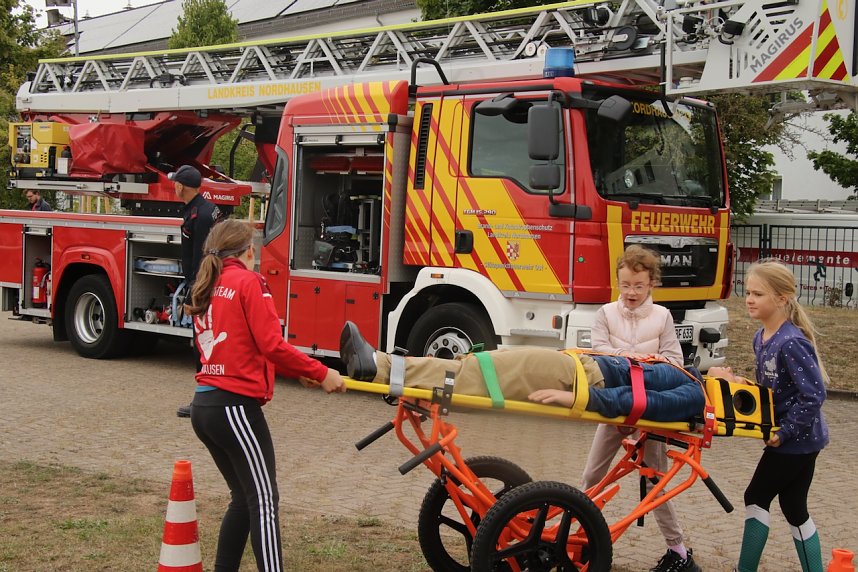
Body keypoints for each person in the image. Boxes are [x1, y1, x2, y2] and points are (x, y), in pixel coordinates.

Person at [186, 219, 346, 572]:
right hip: (233, 407)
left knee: (244, 500)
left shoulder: (209, 282)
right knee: (263, 500)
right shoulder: (249, 281)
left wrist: (300, 371)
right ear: (248, 251)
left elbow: (241, 347)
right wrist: (322, 372)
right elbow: (271, 344)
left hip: (205, 406)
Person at [582, 245, 701, 572]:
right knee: (592, 474)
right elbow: (598, 353)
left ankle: (679, 551)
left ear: (651, 283)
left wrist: (643, 365)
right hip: (615, 405)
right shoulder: (606, 313)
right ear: (617, 283)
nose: (631, 292)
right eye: (625, 285)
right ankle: (579, 534)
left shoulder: (662, 316)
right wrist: (631, 359)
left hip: (650, 408)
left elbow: (674, 361)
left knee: (654, 481)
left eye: (638, 285)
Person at [340, 321, 705, 423]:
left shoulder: (696, 391)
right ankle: (385, 368)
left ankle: (380, 367)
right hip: (577, 368)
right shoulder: (687, 376)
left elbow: (639, 402)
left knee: (476, 374)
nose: (730, 370)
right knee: (477, 369)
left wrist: (578, 398)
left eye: (732, 375)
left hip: (579, 377)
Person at [721, 260, 828, 572]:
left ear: (782, 298)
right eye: (748, 292)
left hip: (797, 441)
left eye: (758, 294)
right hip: (796, 439)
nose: (749, 299)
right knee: (794, 507)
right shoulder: (761, 337)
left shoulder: (791, 342)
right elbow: (773, 389)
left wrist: (785, 431)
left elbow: (814, 395)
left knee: (756, 496)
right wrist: (742, 385)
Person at [171, 165, 222, 418]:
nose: (174, 186)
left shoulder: (199, 215)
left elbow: (204, 256)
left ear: (181, 186)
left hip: (203, 285)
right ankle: (210, 398)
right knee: (206, 345)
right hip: (205, 284)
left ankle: (203, 402)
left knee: (202, 346)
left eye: (175, 183)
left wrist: (195, 289)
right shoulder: (205, 209)